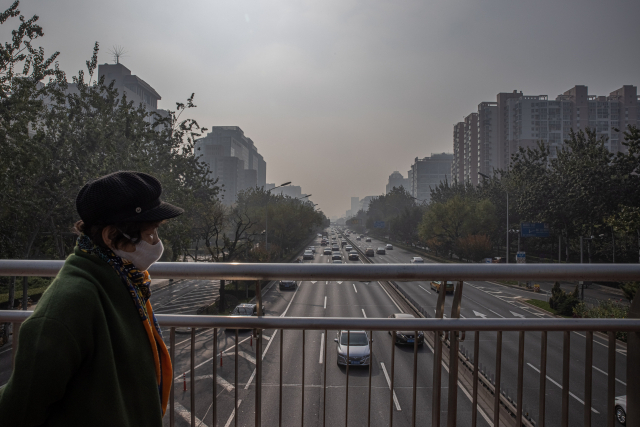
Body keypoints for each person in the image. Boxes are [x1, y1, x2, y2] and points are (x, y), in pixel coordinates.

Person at [0, 171, 183, 426]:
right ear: (110, 236)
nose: (156, 243)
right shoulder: (68, 306)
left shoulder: (124, 280)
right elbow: (19, 410)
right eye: (149, 233)